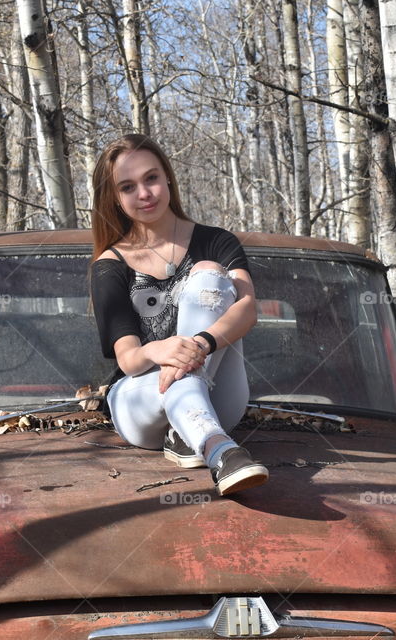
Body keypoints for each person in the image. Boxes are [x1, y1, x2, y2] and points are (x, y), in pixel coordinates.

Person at [89, 134, 268, 496]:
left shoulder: (216, 241)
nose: (145, 193)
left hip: (219, 396)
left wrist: (199, 344)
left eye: (151, 178)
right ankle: (219, 449)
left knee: (208, 271)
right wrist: (158, 350)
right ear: (114, 198)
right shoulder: (110, 265)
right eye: (127, 186)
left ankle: (188, 435)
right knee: (179, 380)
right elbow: (128, 359)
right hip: (141, 402)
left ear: (167, 177)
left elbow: (248, 310)